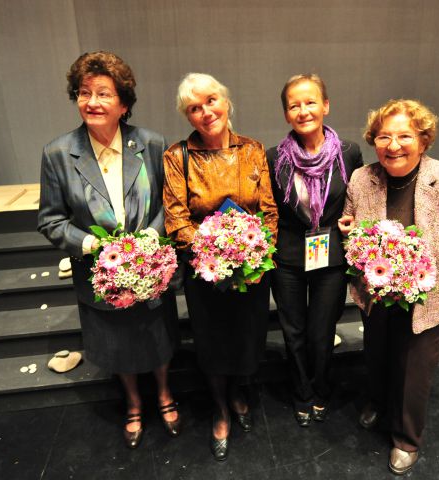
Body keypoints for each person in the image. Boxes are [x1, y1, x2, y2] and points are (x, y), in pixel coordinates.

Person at [38, 51, 180, 449]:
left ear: (123, 103)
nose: (92, 102)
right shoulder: (58, 153)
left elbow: (170, 203)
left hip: (151, 269)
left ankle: (164, 391)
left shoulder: (151, 143)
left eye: (103, 93)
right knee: (117, 341)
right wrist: (92, 244)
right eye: (84, 93)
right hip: (99, 273)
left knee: (158, 334)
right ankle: (133, 402)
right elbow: (50, 220)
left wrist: (149, 239)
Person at [340, 99, 439, 474]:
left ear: (423, 140)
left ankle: (406, 438)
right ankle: (377, 401)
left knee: (414, 369)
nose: (393, 146)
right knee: (377, 353)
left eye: (404, 136)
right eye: (384, 137)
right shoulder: (361, 179)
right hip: (377, 292)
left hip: (429, 296)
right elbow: (350, 221)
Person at [163, 73, 278, 461]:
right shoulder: (177, 156)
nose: (206, 112)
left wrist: (254, 253)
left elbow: (268, 211)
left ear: (226, 101)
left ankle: (239, 392)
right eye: (194, 108)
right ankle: (220, 409)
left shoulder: (253, 149)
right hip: (204, 271)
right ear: (188, 116)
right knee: (212, 343)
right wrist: (217, 253)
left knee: (247, 336)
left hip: (252, 268)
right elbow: (177, 218)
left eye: (211, 100)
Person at [266, 74, 363, 426]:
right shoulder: (274, 157)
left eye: (310, 102)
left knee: (322, 329)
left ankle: (321, 388)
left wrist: (353, 221)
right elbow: (271, 208)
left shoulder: (349, 152)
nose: (303, 110)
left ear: (325, 105)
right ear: (286, 114)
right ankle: (301, 392)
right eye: (294, 105)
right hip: (288, 256)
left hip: (331, 254)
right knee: (293, 330)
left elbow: (358, 198)